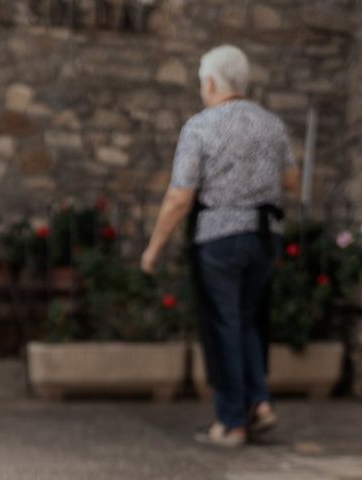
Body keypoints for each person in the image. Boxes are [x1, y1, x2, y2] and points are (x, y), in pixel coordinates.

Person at [140, 45, 300, 448]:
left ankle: (231, 423)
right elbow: (292, 182)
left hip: (219, 238)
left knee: (224, 325)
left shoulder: (201, 126)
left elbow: (180, 197)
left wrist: (154, 247)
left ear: (210, 82)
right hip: (265, 237)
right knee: (246, 321)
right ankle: (259, 402)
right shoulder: (272, 125)